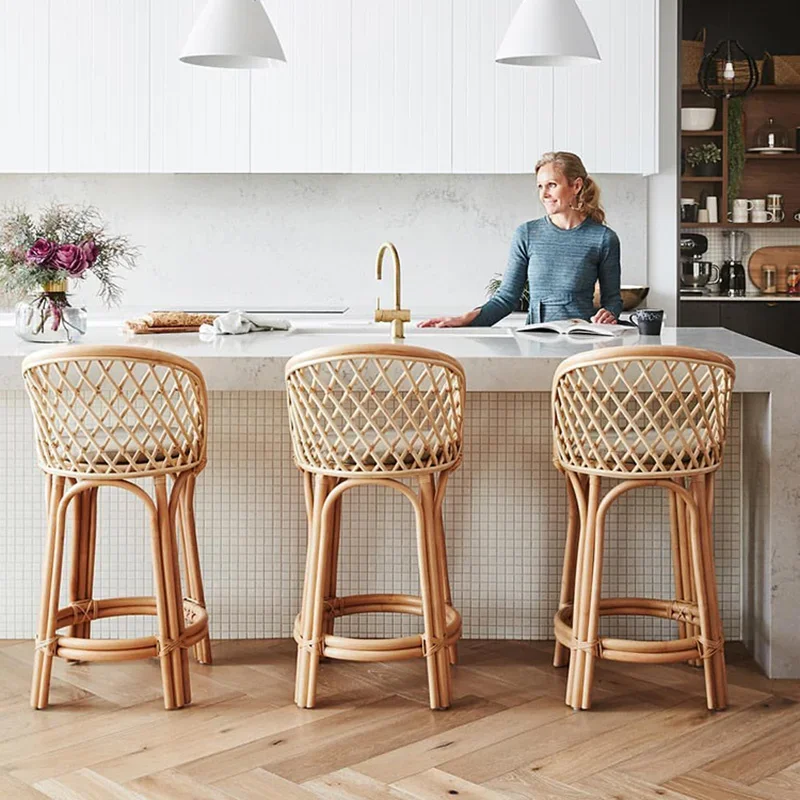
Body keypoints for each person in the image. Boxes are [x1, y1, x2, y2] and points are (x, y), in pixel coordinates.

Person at [419, 152, 622, 329]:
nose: (544, 194)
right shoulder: (527, 234)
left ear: (576, 186)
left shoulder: (603, 238)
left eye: (552, 185)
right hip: (536, 341)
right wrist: (463, 319)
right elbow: (506, 298)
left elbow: (612, 300)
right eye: (540, 186)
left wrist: (609, 314)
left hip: (583, 342)